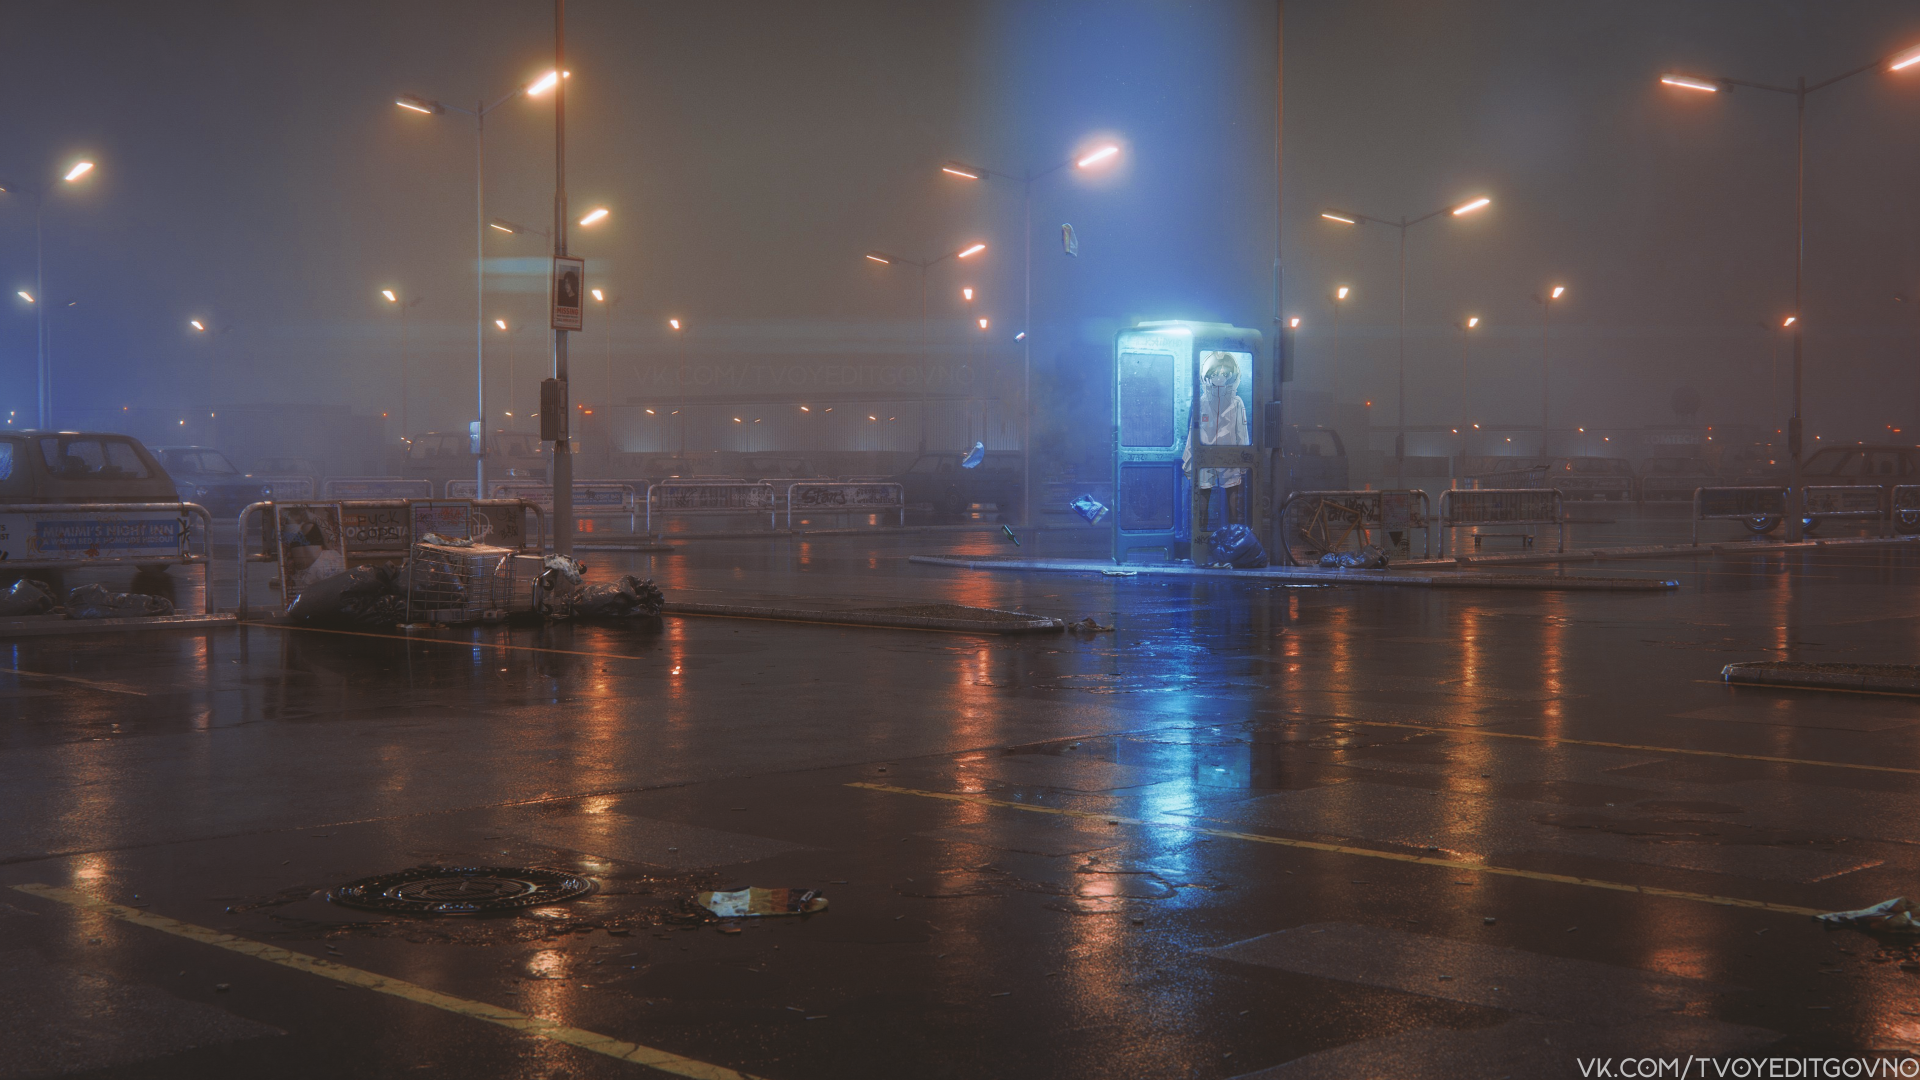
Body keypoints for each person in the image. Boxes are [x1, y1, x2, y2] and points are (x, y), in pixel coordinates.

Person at [1183, 352, 1250, 531]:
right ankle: (1202, 544)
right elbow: (1193, 431)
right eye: (1215, 374)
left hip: (1230, 458)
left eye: (1224, 374)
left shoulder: (1236, 403)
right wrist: (1189, 460)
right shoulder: (1202, 402)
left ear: (1232, 376)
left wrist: (1244, 461)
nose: (1219, 377)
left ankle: (1233, 543)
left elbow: (1241, 432)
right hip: (1206, 459)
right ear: (1207, 376)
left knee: (1233, 510)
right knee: (1202, 508)